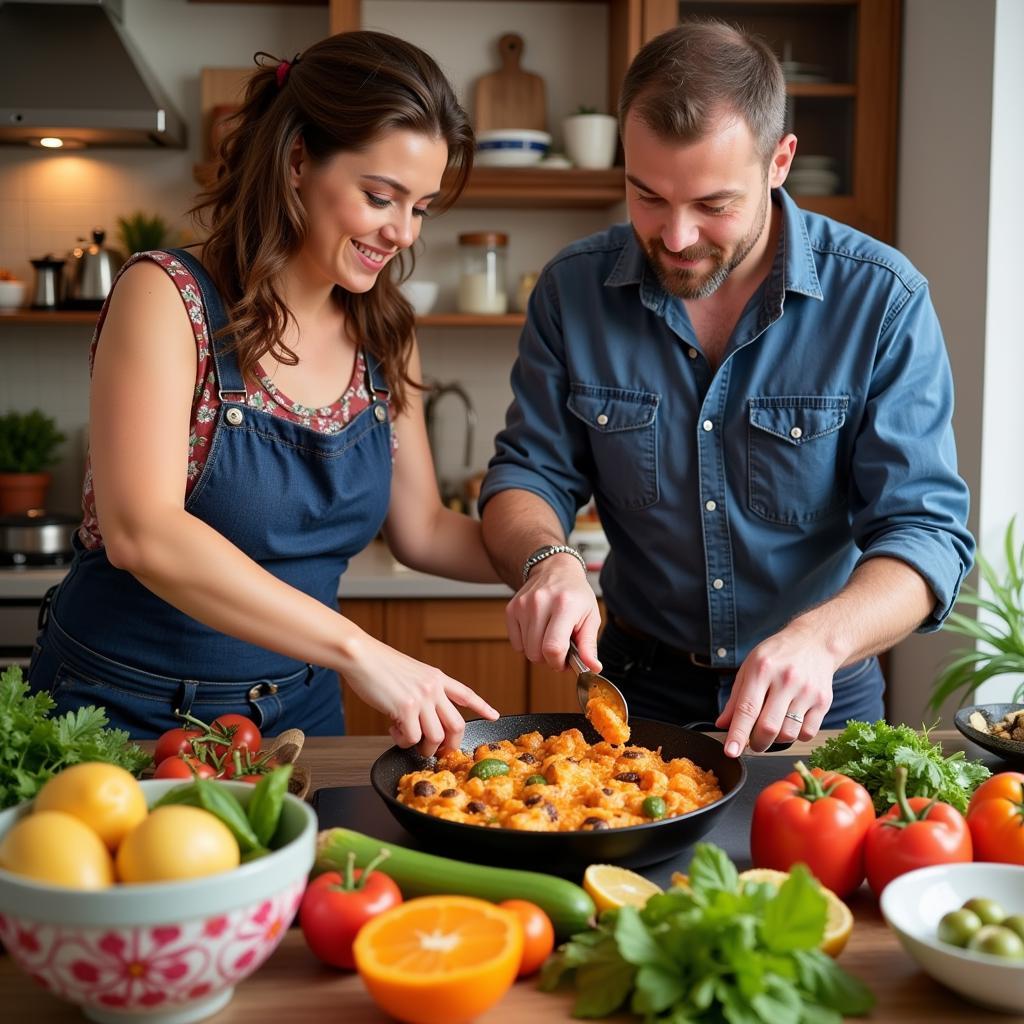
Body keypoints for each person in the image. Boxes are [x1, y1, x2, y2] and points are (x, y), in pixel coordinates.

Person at [479, 20, 974, 757]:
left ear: (780, 162)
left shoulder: (881, 299)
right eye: (646, 196)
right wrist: (546, 560)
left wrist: (819, 637)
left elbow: (926, 533)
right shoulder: (572, 290)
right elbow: (526, 475)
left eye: (713, 205)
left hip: (821, 699)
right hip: (636, 698)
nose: (675, 236)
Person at [27, 31, 500, 754]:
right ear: (298, 160)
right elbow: (141, 533)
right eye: (381, 197)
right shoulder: (166, 297)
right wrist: (360, 650)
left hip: (298, 720)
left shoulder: (387, 331)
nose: (402, 232)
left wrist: (552, 558)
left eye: (422, 208)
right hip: (124, 714)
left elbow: (424, 529)